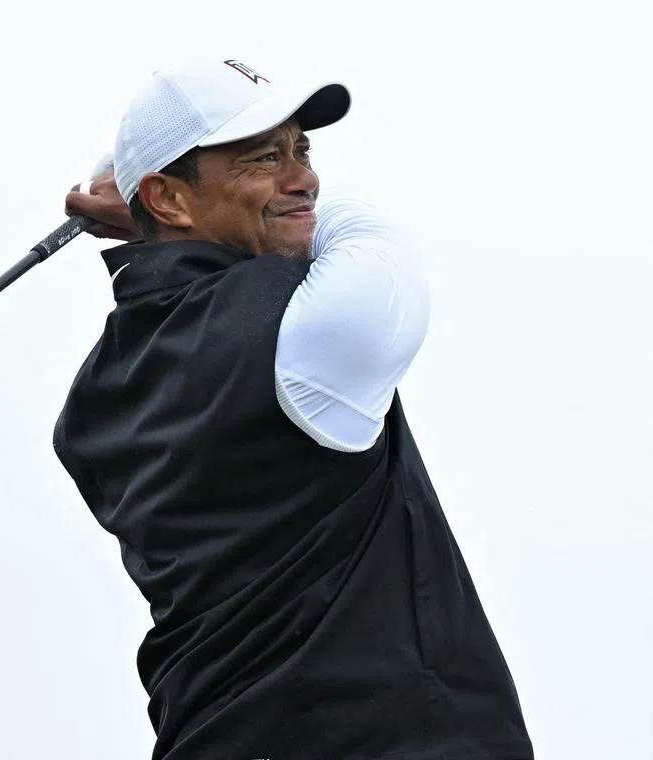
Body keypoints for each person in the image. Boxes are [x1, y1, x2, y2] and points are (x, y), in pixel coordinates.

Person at [52, 59, 533, 760]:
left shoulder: (92, 403)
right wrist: (146, 206)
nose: (302, 177)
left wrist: (163, 206)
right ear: (169, 199)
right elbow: (376, 246)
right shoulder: (304, 327)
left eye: (301, 149)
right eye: (263, 158)